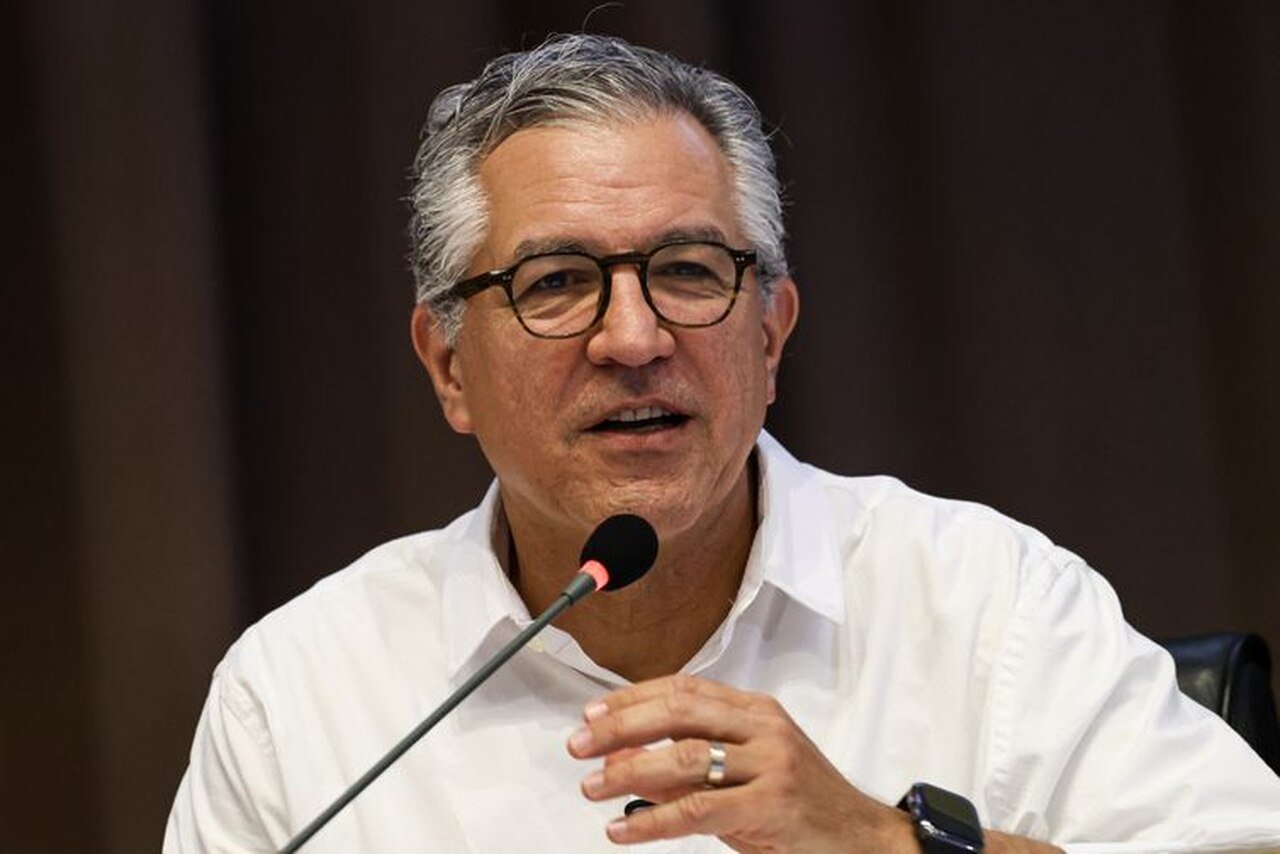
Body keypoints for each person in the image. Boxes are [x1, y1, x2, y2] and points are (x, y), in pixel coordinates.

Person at [165, 34, 1280, 853]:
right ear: (450, 366)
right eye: (556, 283)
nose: (634, 337)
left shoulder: (988, 605)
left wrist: (884, 842)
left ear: (770, 335)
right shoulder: (304, 693)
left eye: (689, 271)